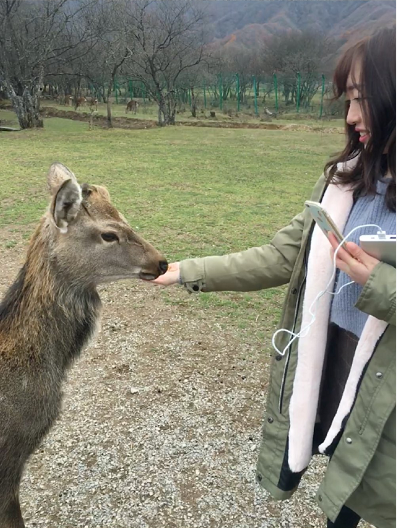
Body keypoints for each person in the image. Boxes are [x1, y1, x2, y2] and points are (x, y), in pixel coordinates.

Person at [152, 27, 396, 528]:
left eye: (361, 100)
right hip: (334, 366)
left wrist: (381, 285)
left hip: (385, 396)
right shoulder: (347, 179)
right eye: (346, 101)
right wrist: (186, 272)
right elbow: (282, 255)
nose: (349, 117)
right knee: (342, 488)